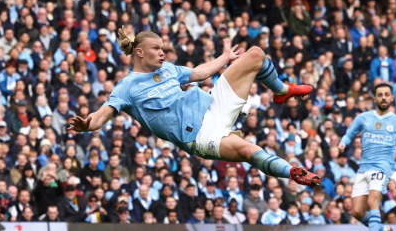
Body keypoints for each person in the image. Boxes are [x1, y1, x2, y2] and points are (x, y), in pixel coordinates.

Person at [69, 28, 318, 186]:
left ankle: (282, 91)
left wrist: (224, 59)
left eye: (163, 49)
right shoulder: (126, 87)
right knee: (246, 151)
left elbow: (199, 73)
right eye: (156, 49)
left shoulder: (167, 69)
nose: (162, 53)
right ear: (139, 52)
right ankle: (293, 172)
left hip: (212, 104)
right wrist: (87, 125)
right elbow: (101, 116)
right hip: (199, 135)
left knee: (254, 54)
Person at [338, 83, 396, 231]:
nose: (383, 98)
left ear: (392, 98)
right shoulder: (363, 118)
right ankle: (382, 229)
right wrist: (343, 143)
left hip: (382, 167)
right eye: (380, 95)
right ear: (374, 99)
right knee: (357, 212)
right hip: (363, 168)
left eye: (387, 95)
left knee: (373, 202)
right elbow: (349, 134)